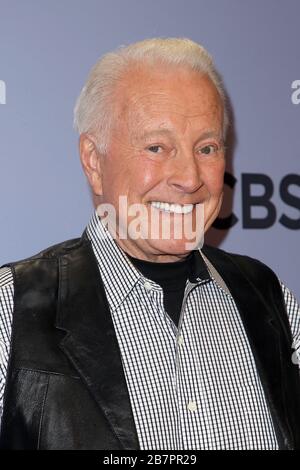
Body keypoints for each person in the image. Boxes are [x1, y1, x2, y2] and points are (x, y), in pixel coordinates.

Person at [0, 37, 299, 450]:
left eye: (207, 148)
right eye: (157, 147)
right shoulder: (10, 309)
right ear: (93, 160)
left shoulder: (270, 298)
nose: (190, 177)